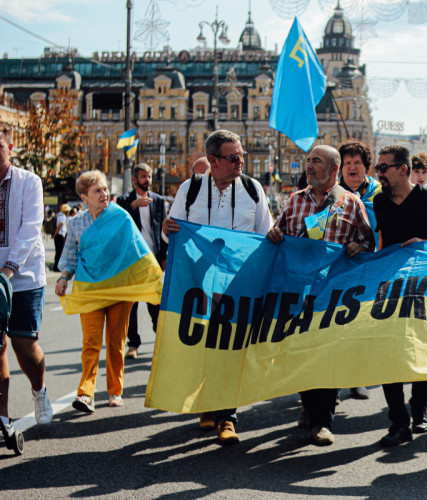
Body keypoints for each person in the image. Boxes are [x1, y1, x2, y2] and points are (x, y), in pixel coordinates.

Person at [163, 129, 273, 445]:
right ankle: (206, 402)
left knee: (229, 349)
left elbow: (266, 234)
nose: (240, 162)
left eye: (241, 156)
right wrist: (166, 230)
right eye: (233, 157)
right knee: (202, 347)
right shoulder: (190, 189)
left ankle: (227, 417)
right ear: (213, 160)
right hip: (198, 283)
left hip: (239, 285)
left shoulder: (253, 189)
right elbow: (173, 233)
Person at [268, 145, 375, 446]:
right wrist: (274, 235)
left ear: (333, 169)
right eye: (308, 161)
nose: (309, 166)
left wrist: (360, 247)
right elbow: (278, 233)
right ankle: (308, 403)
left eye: (316, 161)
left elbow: (368, 242)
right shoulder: (294, 200)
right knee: (301, 351)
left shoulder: (350, 203)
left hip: (333, 295)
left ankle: (322, 422)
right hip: (299, 291)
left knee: (327, 354)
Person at [373, 144, 427, 447]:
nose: (379, 173)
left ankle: (419, 408)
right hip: (391, 289)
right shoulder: (379, 202)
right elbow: (379, 243)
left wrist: (425, 244)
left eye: (384, 167)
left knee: (423, 351)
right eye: (377, 168)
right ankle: (398, 422)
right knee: (388, 356)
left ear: (404, 169)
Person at [56, 170, 160, 413]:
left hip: (118, 290)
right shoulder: (75, 223)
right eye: (97, 191)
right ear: (84, 197)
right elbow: (70, 256)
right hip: (89, 289)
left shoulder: (120, 217)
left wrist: (154, 277)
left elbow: (137, 251)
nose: (104, 194)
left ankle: (115, 390)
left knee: (115, 342)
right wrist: (63, 278)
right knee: (90, 342)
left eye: (105, 189)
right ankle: (86, 393)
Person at [0, 124, 53, 432]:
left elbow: (31, 229)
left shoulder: (28, 182)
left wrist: (8, 270)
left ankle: (39, 390)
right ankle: (3, 417)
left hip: (24, 278)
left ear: (10, 149)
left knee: (23, 343)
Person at [337, 140, 381, 400]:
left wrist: (365, 245)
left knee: (362, 326)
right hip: (336, 269)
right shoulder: (330, 193)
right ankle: (327, 386)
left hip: (369, 268)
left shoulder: (379, 194)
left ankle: (357, 378)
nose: (352, 168)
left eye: (357, 163)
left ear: (366, 168)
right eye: (347, 163)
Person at [116, 163, 167, 360]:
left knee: (155, 302)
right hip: (131, 261)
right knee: (132, 306)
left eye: (149, 176)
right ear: (135, 179)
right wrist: (132, 207)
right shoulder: (124, 201)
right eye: (144, 177)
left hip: (152, 259)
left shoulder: (158, 200)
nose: (148, 180)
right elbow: (117, 224)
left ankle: (161, 340)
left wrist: (163, 257)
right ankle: (133, 344)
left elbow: (162, 230)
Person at [52, 203, 70, 272]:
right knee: (60, 252)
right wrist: (55, 234)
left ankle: (56, 266)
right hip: (60, 236)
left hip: (57, 236)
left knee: (58, 251)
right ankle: (57, 267)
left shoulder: (58, 215)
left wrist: (54, 235)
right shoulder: (63, 217)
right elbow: (59, 227)